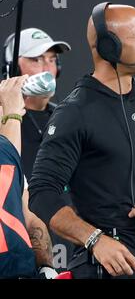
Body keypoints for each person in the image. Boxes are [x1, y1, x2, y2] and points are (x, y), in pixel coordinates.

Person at [28, 3, 135, 279]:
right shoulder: (74, 112)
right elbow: (43, 193)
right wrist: (95, 239)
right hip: (102, 271)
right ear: (108, 46)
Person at [3, 28, 73, 272]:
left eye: (52, 60)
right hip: (20, 248)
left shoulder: (69, 118)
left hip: (72, 241)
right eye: (36, 59)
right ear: (12, 68)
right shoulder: (5, 121)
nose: (47, 68)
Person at [0, 75, 56, 278]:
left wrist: (47, 267)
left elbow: (30, 217)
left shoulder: (10, 163)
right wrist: (11, 114)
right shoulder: (6, 157)